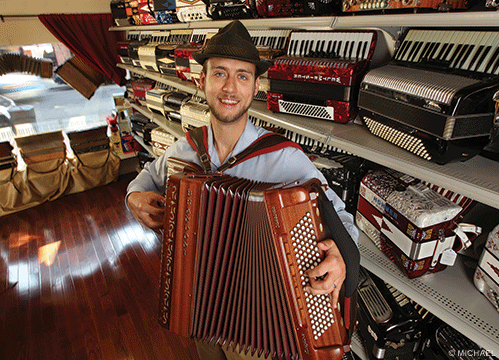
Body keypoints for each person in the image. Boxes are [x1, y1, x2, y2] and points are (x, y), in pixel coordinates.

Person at [126, 20, 359, 360]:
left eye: (242, 76)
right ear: (201, 80)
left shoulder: (286, 159)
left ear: (255, 87)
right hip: (200, 307)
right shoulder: (184, 150)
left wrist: (340, 256)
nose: (230, 88)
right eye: (219, 73)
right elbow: (145, 179)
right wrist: (134, 198)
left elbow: (340, 216)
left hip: (264, 318)